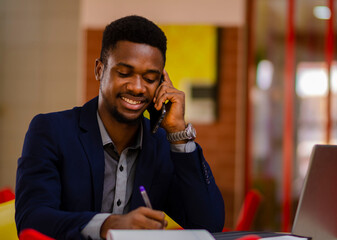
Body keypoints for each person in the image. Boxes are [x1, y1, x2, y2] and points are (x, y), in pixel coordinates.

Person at [15, 15, 225, 240]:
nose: (137, 87)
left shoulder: (163, 145)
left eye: (150, 78)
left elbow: (209, 224)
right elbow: (32, 218)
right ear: (99, 70)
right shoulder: (51, 131)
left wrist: (178, 133)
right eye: (124, 73)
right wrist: (109, 224)